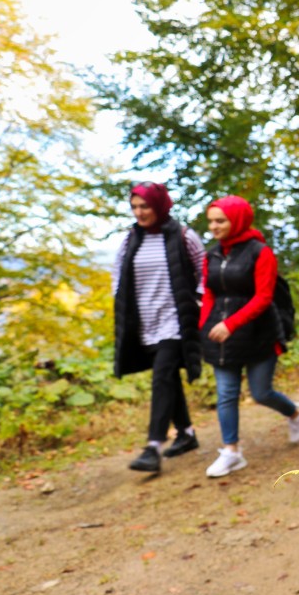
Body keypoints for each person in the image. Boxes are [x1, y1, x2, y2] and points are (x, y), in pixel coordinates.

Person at [200, 195, 299, 478]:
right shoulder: (212, 255)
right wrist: (205, 324)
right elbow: (210, 292)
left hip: (258, 333)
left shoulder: (260, 252)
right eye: (211, 221)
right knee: (226, 394)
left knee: (261, 393)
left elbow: (263, 297)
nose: (214, 227)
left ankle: (296, 413)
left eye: (220, 221)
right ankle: (231, 452)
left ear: (237, 220)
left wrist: (231, 324)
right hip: (222, 336)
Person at [113, 181, 204, 474]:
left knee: (162, 375)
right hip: (145, 322)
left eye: (145, 206)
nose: (139, 212)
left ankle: (153, 446)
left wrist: (198, 302)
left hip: (175, 321)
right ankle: (186, 433)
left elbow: (204, 269)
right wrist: (121, 302)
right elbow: (118, 274)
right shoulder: (130, 239)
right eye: (134, 207)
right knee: (167, 377)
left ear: (159, 206)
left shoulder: (184, 236)